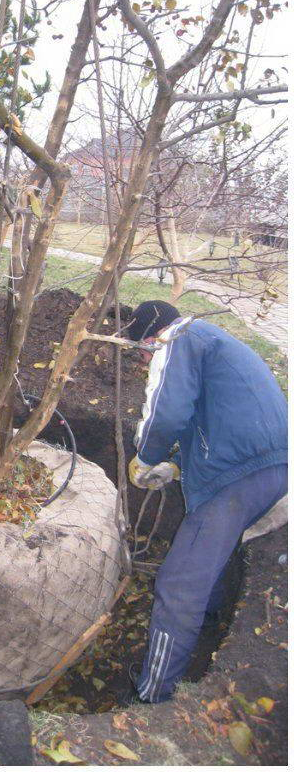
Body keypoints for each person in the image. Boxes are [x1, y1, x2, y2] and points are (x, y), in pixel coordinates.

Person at [123, 300, 287, 703]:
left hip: (241, 476)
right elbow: (213, 418)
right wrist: (177, 465)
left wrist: (145, 457)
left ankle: (153, 693)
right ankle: (209, 620)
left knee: (178, 585)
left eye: (142, 354)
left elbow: (166, 414)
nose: (145, 362)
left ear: (150, 340)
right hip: (267, 465)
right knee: (208, 554)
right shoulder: (213, 342)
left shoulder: (178, 340)